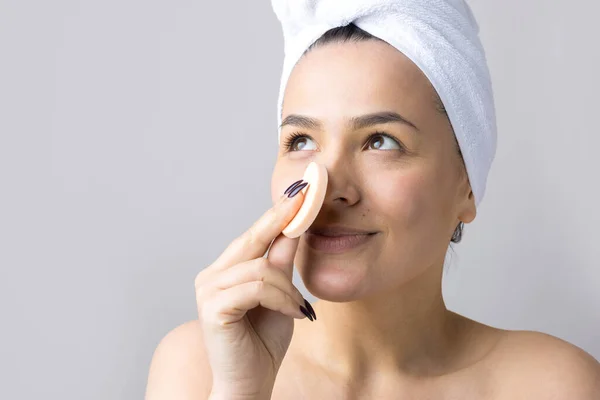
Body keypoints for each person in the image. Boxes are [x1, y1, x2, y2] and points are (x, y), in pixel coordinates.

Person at [145, 5, 600, 400]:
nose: (329, 185)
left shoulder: (554, 386)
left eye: (380, 141)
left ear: (466, 183)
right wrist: (241, 393)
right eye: (301, 140)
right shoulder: (199, 369)